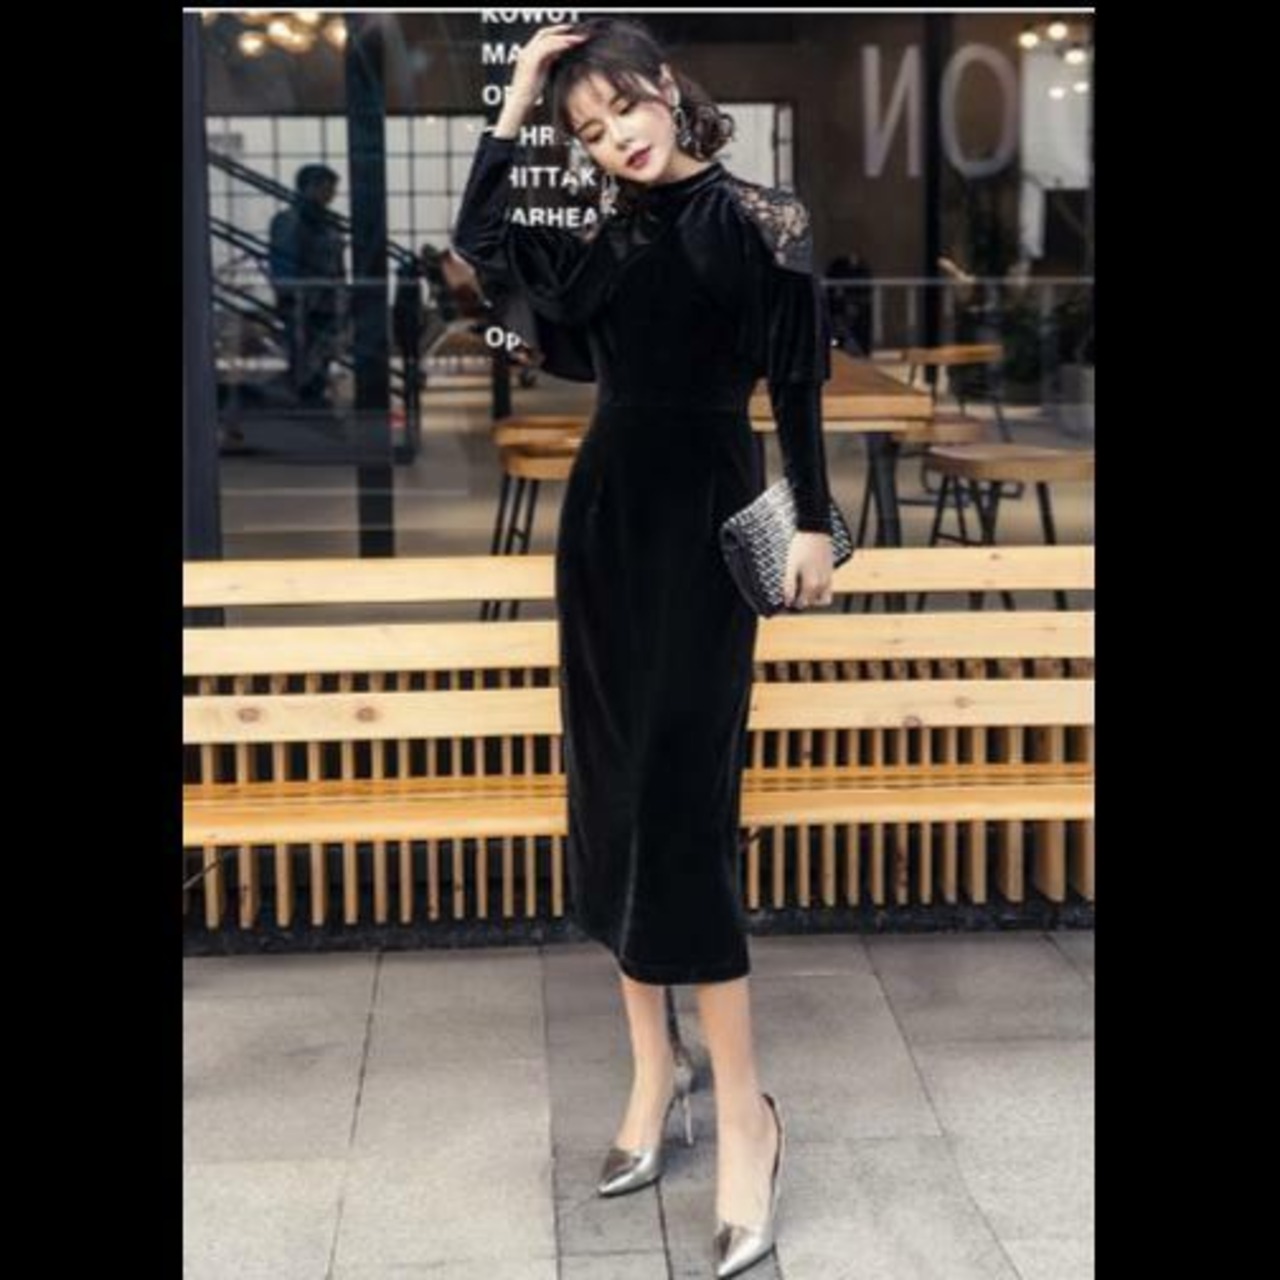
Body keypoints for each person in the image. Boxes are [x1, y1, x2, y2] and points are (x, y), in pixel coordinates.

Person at [451, 20, 835, 1277]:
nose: (613, 136)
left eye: (623, 107)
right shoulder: (606, 236)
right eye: (587, 127)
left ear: (667, 90)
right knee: (613, 794)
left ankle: (747, 1115)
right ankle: (650, 1069)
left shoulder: (761, 218)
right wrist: (517, 99)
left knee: (679, 800)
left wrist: (815, 520)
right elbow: (481, 245)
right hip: (605, 524)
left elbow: (796, 383)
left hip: (707, 518)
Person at [267, 163, 346, 407]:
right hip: (303, 300)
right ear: (308, 187)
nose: (331, 194)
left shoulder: (328, 222)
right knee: (304, 351)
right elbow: (284, 263)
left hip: (324, 299)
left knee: (321, 351)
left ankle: (313, 396)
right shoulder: (290, 221)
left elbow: (337, 262)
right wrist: (289, 293)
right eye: (326, 188)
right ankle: (305, 398)